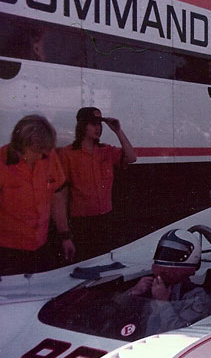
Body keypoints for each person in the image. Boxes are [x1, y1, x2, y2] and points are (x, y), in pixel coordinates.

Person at [0, 115, 75, 275]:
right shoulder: (1, 163)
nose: (42, 156)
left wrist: (65, 236)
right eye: (37, 151)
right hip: (8, 252)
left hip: (41, 245)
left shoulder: (48, 156)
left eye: (45, 151)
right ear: (22, 144)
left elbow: (56, 197)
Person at [59, 107, 136, 260]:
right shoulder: (68, 154)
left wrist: (118, 131)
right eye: (93, 124)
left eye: (99, 124)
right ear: (82, 126)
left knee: (105, 263)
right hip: (82, 223)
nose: (98, 128)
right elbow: (63, 194)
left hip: (105, 219)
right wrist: (65, 231)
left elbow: (132, 157)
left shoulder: (106, 151)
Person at [126, 229, 211, 335]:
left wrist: (162, 302)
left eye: (171, 254)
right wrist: (133, 292)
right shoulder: (148, 285)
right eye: (163, 251)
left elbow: (181, 333)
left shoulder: (197, 296)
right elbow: (116, 315)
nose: (165, 256)